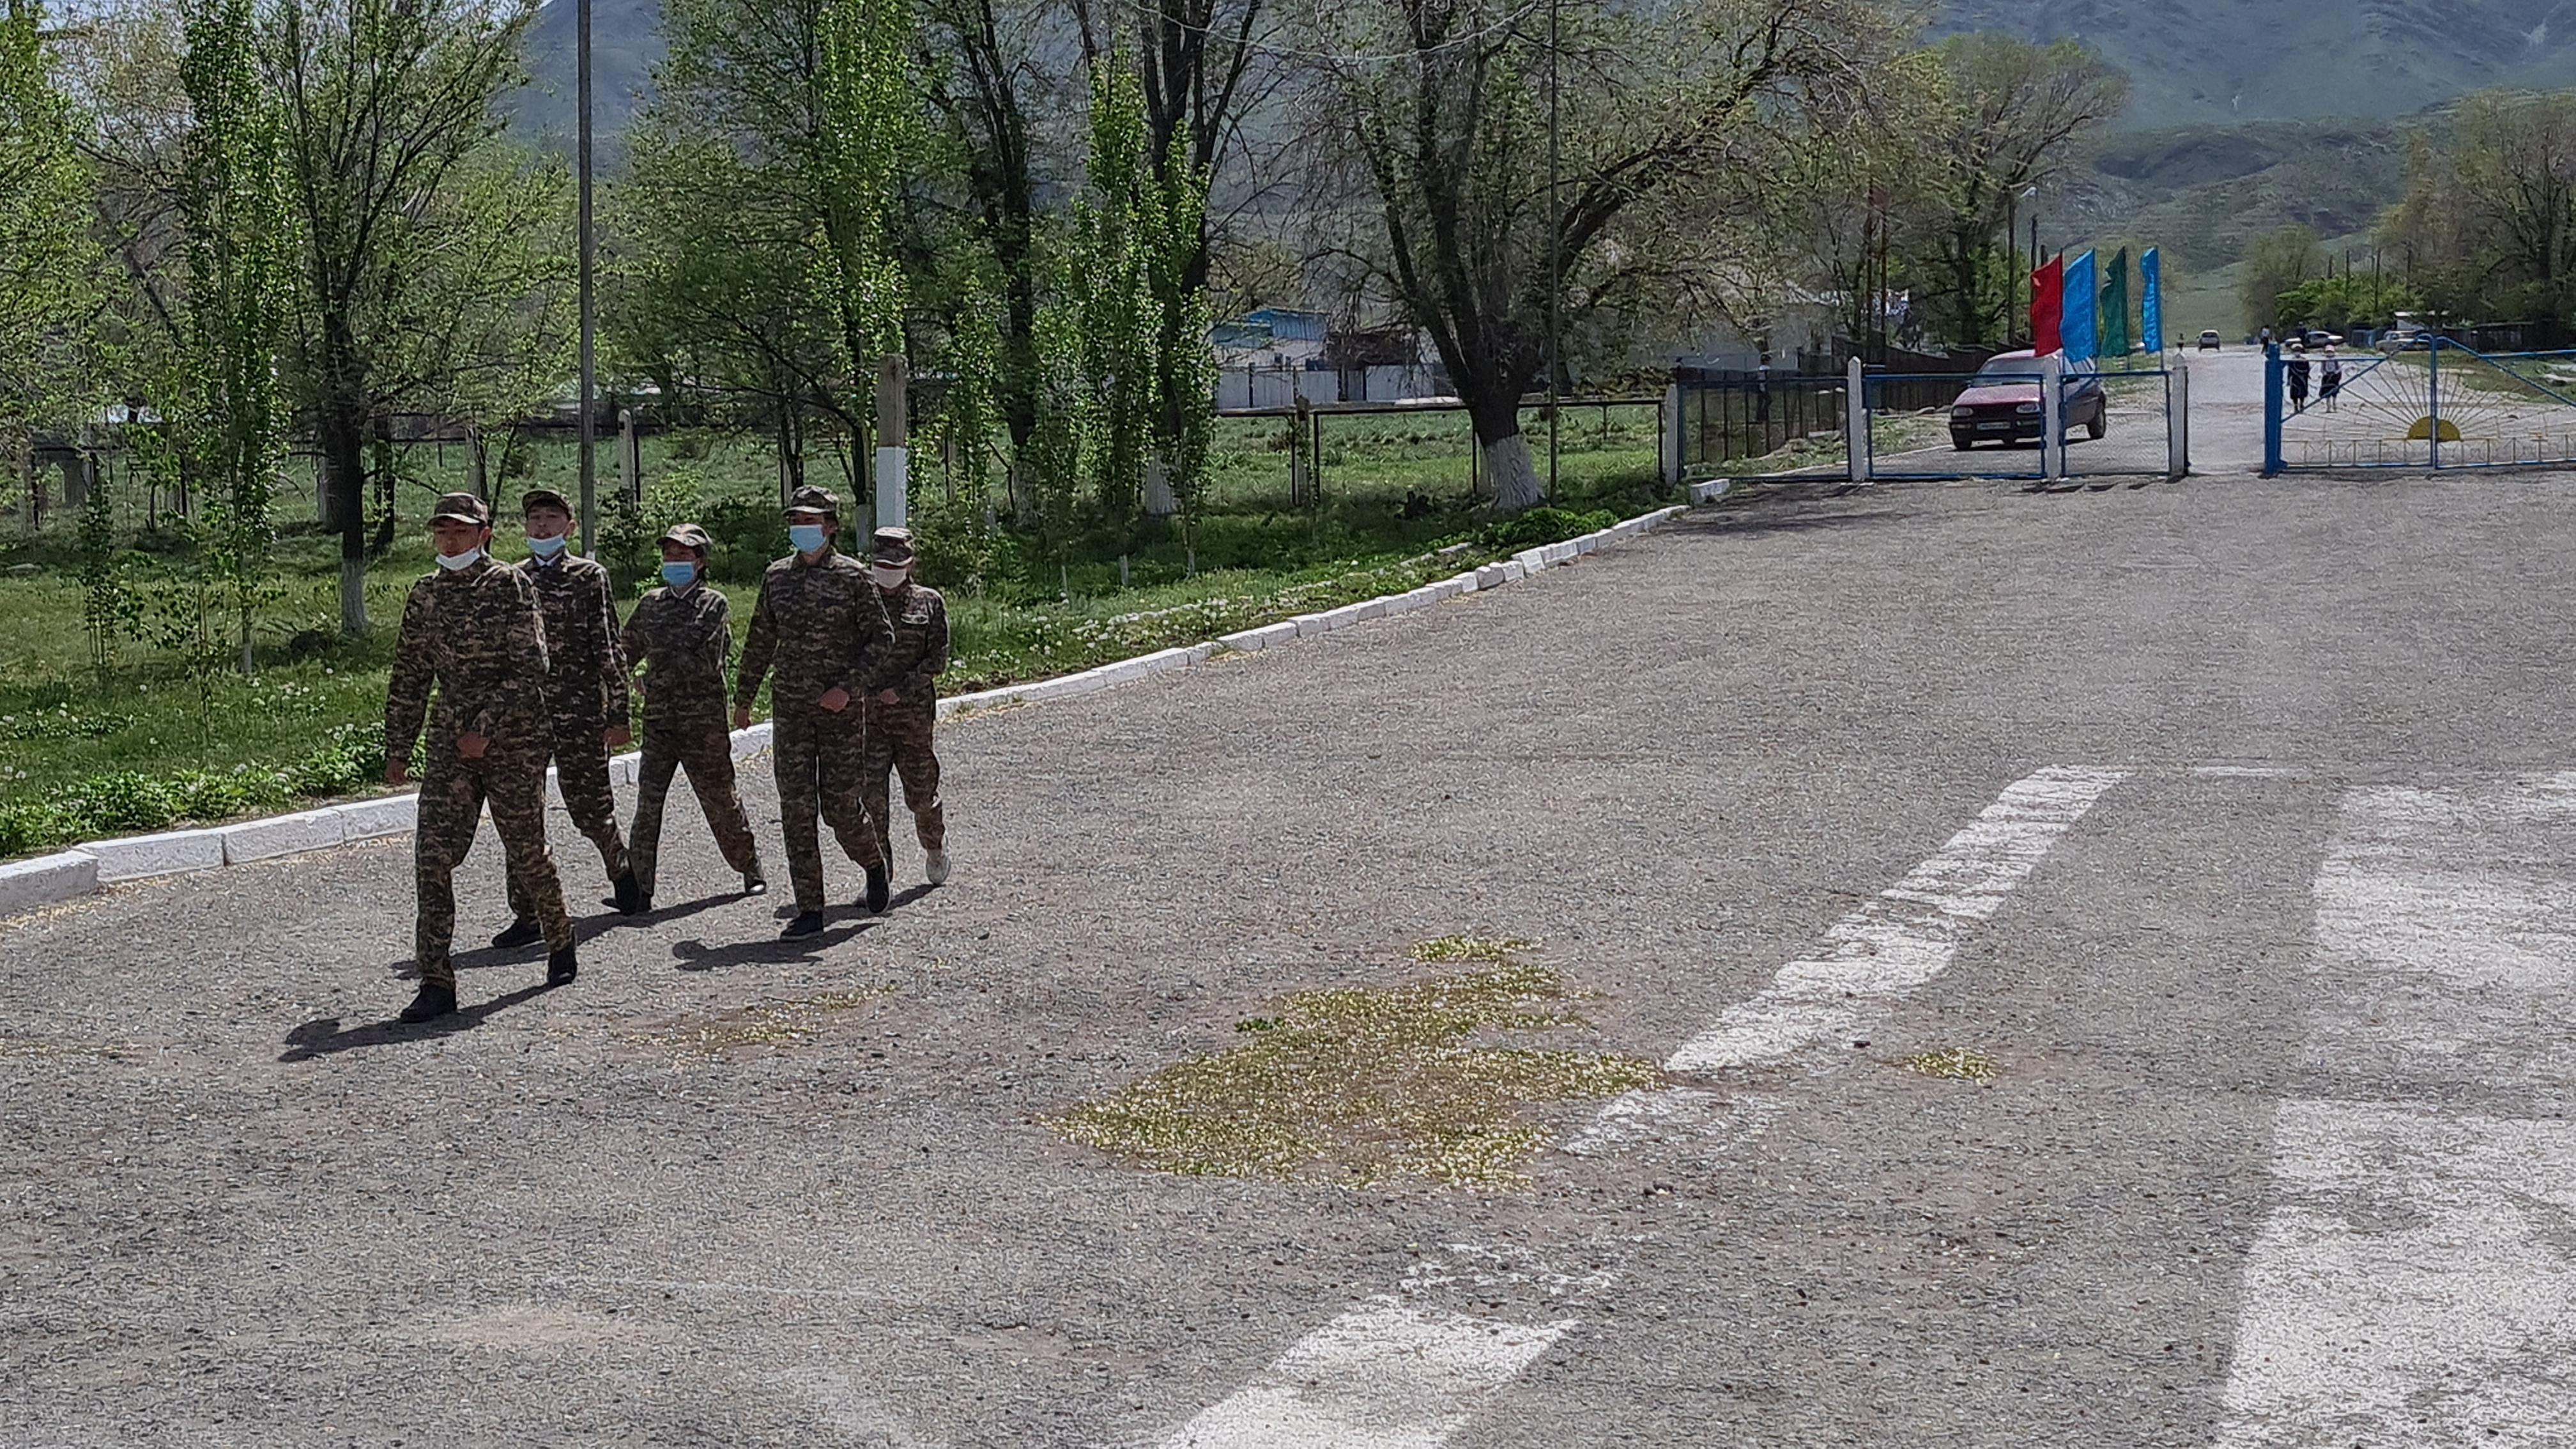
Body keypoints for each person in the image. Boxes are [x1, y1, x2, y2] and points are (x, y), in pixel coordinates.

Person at [385, 493, 576, 1023]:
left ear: (484, 535)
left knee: (527, 851)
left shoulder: (510, 585)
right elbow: (410, 676)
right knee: (432, 857)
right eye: (442, 532)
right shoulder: (426, 594)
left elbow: (532, 667)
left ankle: (560, 936)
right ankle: (436, 981)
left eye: (461, 532)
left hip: (514, 739)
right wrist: (398, 747)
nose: (450, 541)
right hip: (450, 744)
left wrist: (486, 728)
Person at [732, 485, 896, 938]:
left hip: (840, 712)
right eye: (796, 521)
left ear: (831, 526)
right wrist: (744, 697)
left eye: (810, 521)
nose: (801, 528)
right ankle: (810, 908)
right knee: (797, 809)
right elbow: (760, 639)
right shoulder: (777, 577)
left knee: (841, 808)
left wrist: (848, 688)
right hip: (792, 711)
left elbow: (882, 639)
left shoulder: (854, 578)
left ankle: (873, 863)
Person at [493, 488, 638, 949]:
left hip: (579, 712)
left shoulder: (589, 577)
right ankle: (527, 913)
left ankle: (623, 874)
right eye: (535, 518)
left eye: (551, 518)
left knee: (590, 809)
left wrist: (618, 712)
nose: (542, 526)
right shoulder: (512, 579)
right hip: (525, 715)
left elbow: (609, 646)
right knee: (522, 817)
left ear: (569, 528)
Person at [618, 523, 767, 908]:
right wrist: (622, 682)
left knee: (720, 800)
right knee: (647, 805)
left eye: (683, 555)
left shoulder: (713, 604)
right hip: (659, 723)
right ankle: (639, 889)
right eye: (669, 554)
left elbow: (705, 662)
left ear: (700, 562)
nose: (674, 561)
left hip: (703, 724)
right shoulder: (651, 604)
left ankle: (749, 866)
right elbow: (624, 651)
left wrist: (652, 679)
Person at [859, 527, 950, 886]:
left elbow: (937, 659)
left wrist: (902, 689)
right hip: (869, 718)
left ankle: (935, 846)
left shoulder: (928, 602)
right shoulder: (860, 601)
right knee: (871, 800)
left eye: (895, 566)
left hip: (912, 717)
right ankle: (879, 876)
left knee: (921, 796)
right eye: (881, 565)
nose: (887, 573)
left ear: (910, 565)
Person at [2287, 348, 2312, 413]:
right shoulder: (2292, 361)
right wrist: (2288, 380)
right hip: (2295, 379)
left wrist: (2306, 375)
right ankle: (2295, 406)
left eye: (2298, 351)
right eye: (2295, 351)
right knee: (2294, 394)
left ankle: (2301, 405)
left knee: (2302, 393)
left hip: (2303, 379)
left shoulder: (2304, 360)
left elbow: (2307, 369)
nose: (2297, 353)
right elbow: (2290, 371)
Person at [2320, 348, 2344, 412]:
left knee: (2334, 392)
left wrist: (2336, 373)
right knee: (2327, 392)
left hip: (2334, 377)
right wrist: (2325, 373)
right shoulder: (2324, 361)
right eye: (2328, 352)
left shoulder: (2336, 360)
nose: (2329, 353)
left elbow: (2339, 368)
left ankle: (2334, 406)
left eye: (2331, 352)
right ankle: (2328, 407)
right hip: (2326, 376)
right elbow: (2322, 369)